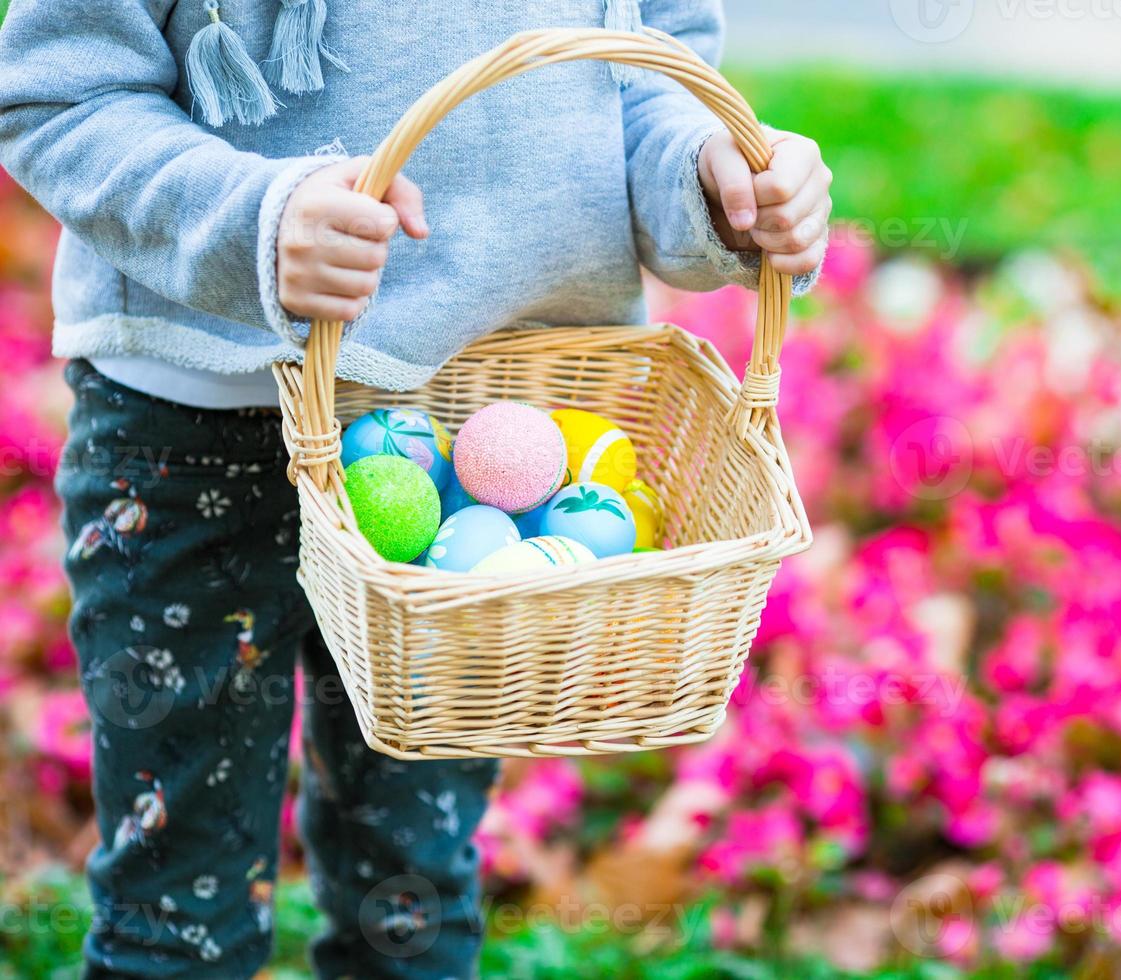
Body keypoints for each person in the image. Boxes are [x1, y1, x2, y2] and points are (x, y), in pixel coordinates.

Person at [0, 0, 831, 975]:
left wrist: (711, 173)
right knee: (176, 915)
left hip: (466, 441)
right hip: (196, 426)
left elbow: (640, 73)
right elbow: (62, 92)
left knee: (413, 898)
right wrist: (255, 223)